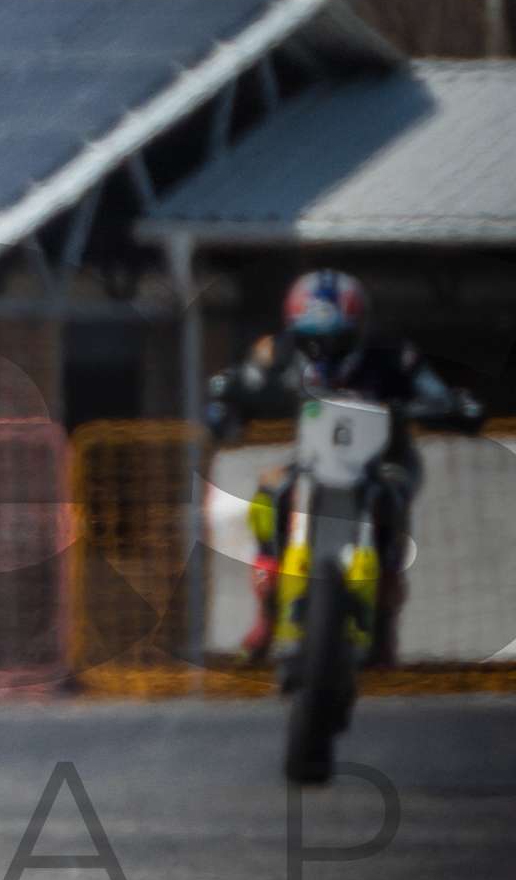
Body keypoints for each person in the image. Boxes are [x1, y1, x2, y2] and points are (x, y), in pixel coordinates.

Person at [204, 269, 485, 665]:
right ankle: (266, 606)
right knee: (271, 491)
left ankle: (384, 621)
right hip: (314, 460)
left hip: (385, 460)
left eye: (337, 340)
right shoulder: (277, 351)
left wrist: (456, 407)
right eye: (312, 340)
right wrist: (225, 404)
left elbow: (435, 392)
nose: (325, 350)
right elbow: (239, 382)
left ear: (359, 329)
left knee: (390, 501)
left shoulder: (394, 354)